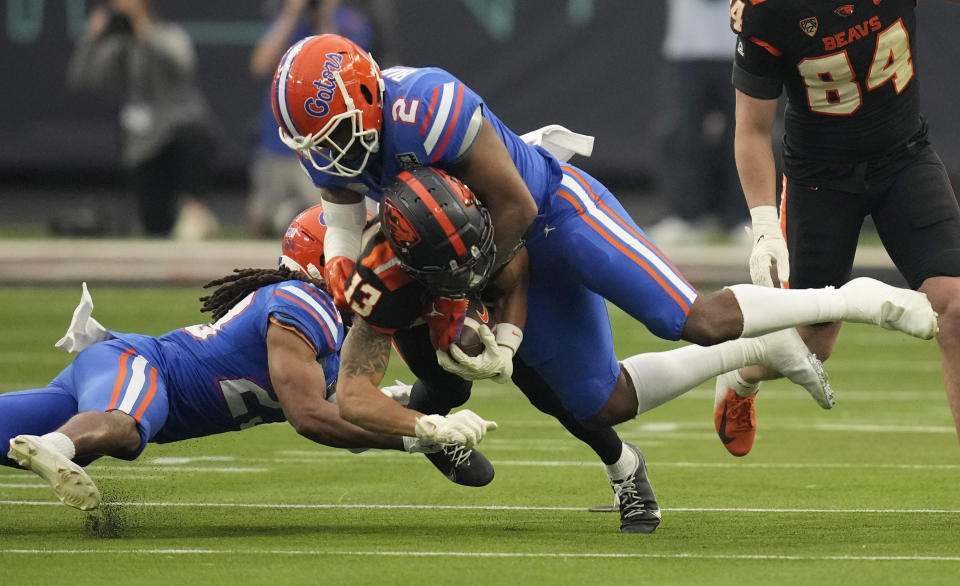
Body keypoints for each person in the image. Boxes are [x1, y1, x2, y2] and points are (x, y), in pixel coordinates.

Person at [270, 35, 938, 532]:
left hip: (555, 214)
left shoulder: (427, 104)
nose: (329, 155)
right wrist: (344, 272)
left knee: (690, 317)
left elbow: (515, 210)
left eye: (332, 135)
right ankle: (756, 353)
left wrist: (472, 305)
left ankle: (848, 298)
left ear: (364, 98)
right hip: (480, 247)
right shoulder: (339, 150)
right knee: (602, 402)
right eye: (315, 145)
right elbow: (342, 219)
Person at [2, 269, 495, 512]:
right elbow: (310, 417)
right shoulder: (306, 303)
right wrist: (421, 431)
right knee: (124, 431)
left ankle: (60, 442)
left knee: (84, 430)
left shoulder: (324, 345)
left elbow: (347, 419)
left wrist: (415, 416)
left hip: (122, 382)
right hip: (138, 366)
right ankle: (56, 446)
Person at [715, 0, 960, 455]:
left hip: (905, 157)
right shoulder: (768, 11)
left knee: (957, 305)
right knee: (813, 342)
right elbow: (750, 129)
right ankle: (740, 374)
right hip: (820, 180)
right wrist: (765, 225)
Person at [67, 0, 220, 240]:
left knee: (195, 135)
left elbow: (183, 62)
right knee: (156, 226)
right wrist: (91, 38)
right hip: (145, 141)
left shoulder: (169, 34)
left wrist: (142, 28)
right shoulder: (117, 46)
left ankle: (195, 207)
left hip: (181, 127)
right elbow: (82, 78)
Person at [247, 0, 378, 238]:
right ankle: (286, 215)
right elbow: (260, 64)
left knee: (327, 217)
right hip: (279, 141)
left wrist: (324, 18)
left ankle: (292, 215)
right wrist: (291, 13)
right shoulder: (288, 22)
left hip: (325, 145)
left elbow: (349, 72)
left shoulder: (349, 22)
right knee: (260, 223)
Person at [647, 0, 746, 247]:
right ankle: (686, 216)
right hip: (686, 48)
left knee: (745, 132)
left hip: (740, 45)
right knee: (682, 133)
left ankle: (744, 216)